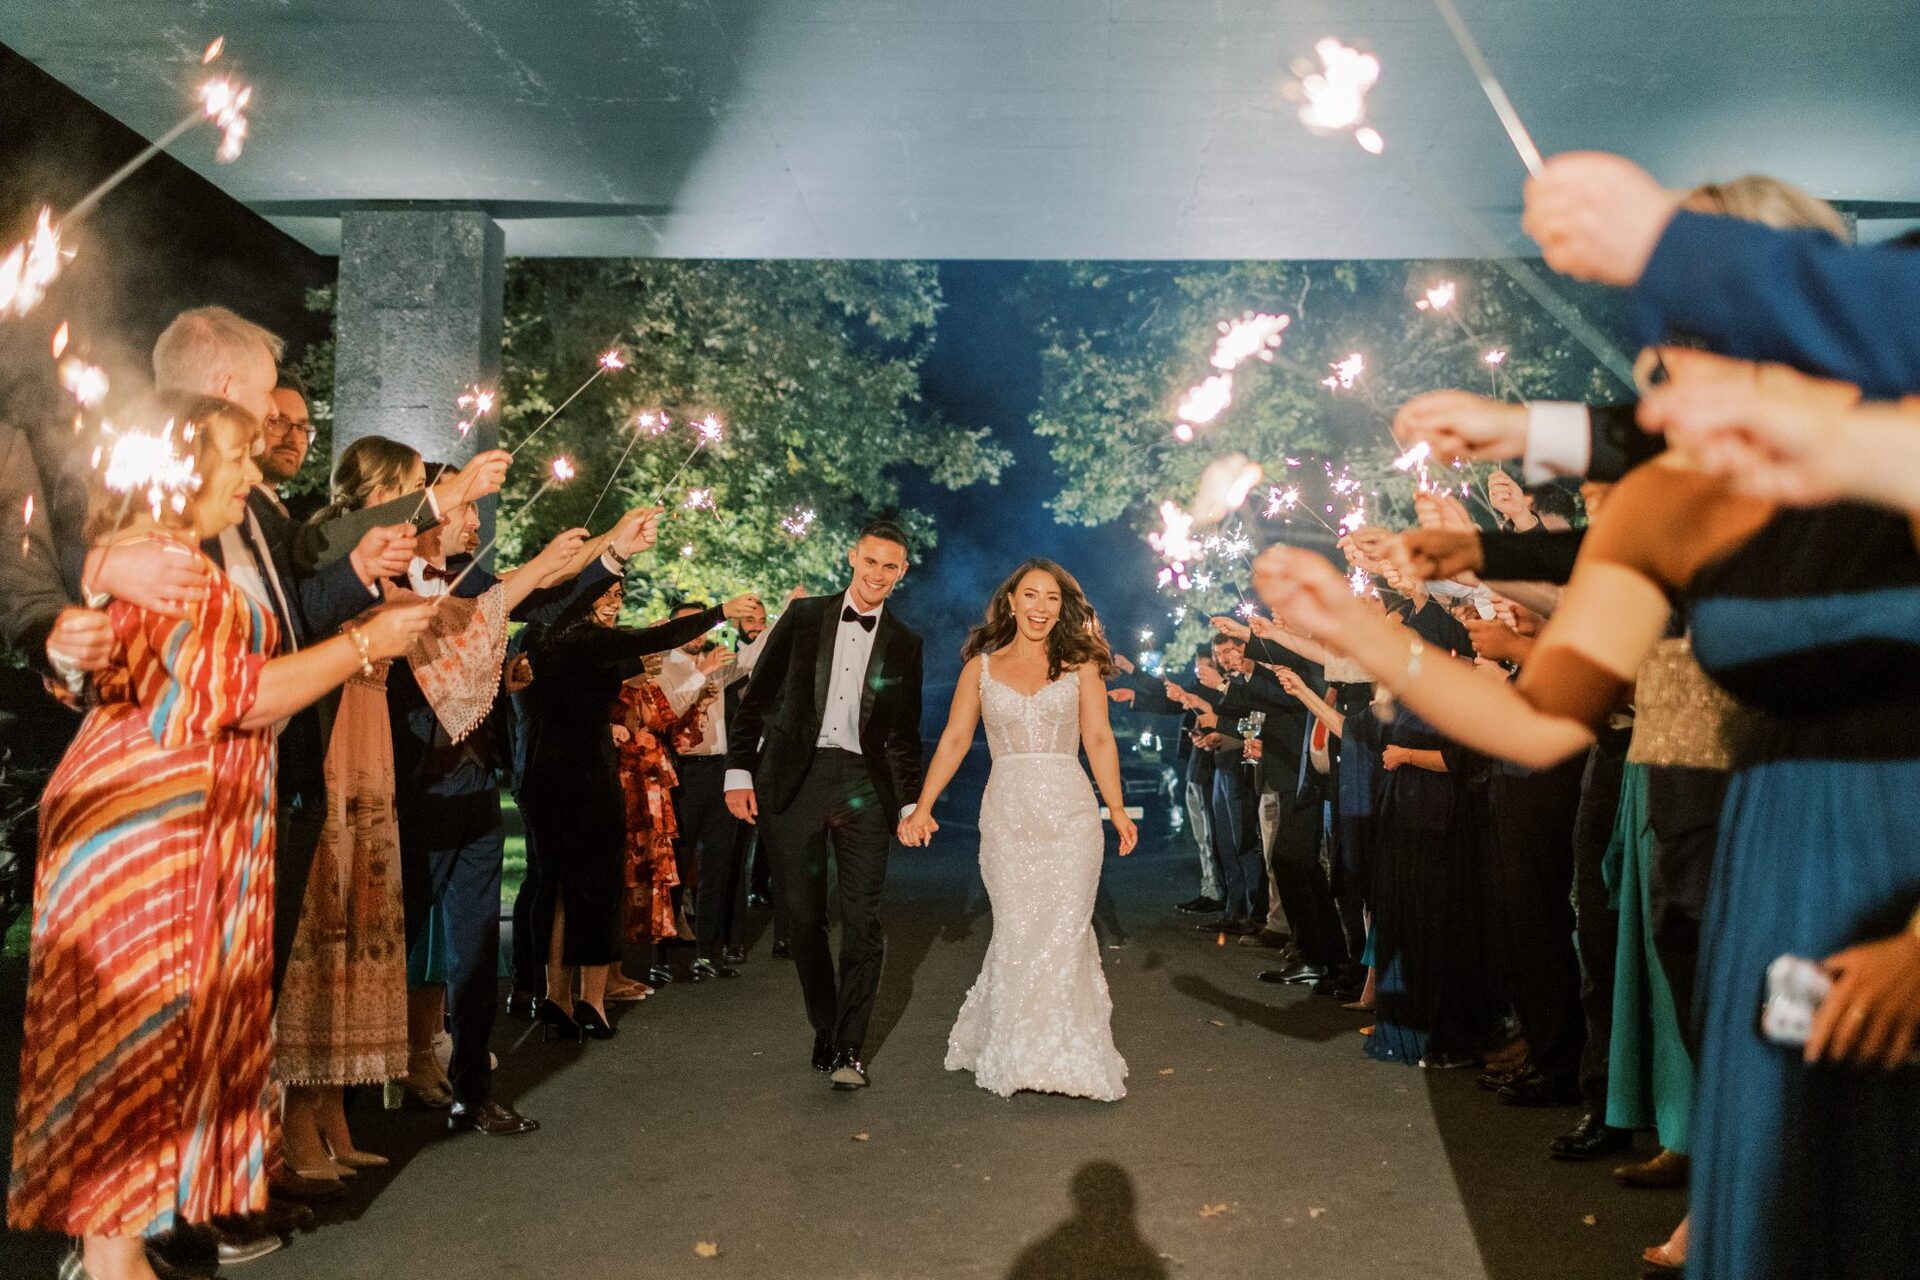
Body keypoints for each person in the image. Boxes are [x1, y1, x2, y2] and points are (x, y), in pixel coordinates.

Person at [8, 394, 433, 1280]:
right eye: (237, 455)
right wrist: (367, 644)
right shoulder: (166, 565)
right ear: (182, 464)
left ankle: (121, 1258)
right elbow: (231, 695)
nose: (253, 472)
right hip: (145, 839)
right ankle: (115, 1264)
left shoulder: (172, 560)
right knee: (133, 1059)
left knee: (158, 1057)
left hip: (183, 829)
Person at [900, 559, 1135, 1101]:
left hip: (1072, 815)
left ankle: (1063, 1054)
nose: (1041, 608)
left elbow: (1099, 738)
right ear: (1011, 601)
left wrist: (1116, 808)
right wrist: (922, 806)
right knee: (1017, 929)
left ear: (1063, 606)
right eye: (1031, 596)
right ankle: (1016, 1048)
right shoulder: (980, 668)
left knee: (1064, 931)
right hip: (1007, 815)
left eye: (1052, 598)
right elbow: (956, 739)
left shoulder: (1082, 666)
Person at [725, 520, 927, 1091]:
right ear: (852, 558)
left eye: (891, 567)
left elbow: (904, 737)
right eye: (871, 562)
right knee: (802, 919)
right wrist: (738, 772)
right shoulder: (806, 616)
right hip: (795, 778)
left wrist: (911, 802)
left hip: (864, 783)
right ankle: (827, 1023)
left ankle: (850, 1047)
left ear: (902, 573)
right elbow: (755, 698)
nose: (878, 575)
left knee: (862, 920)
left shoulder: (907, 643)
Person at [518, 577, 752, 1039]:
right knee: (599, 888)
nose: (612, 604)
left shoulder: (534, 637)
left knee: (557, 889)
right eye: (604, 594)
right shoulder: (589, 641)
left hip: (538, 774)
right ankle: (590, 1002)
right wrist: (721, 609)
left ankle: (555, 997)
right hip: (586, 771)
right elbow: (656, 640)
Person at [659, 599, 772, 979]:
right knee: (676, 864)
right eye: (687, 627)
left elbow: (752, 657)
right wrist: (700, 674)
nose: (697, 634)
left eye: (701, 626)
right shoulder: (663, 664)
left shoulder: (717, 662)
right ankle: (661, 957)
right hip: (685, 773)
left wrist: (788, 610)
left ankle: (709, 953)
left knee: (719, 864)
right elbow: (668, 709)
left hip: (721, 772)